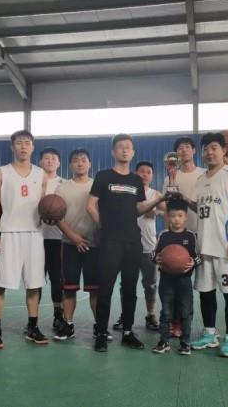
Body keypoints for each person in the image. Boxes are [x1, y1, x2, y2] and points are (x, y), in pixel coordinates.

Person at [88, 134, 167, 352]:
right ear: (113, 151)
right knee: (106, 288)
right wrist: (103, 225)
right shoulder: (103, 176)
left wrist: (158, 199)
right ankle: (101, 333)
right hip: (110, 241)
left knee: (130, 289)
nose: (124, 150)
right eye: (120, 147)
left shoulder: (136, 181)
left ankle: (128, 332)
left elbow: (139, 208)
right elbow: (90, 205)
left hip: (133, 241)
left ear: (133, 153)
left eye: (128, 147)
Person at [182, 132, 228, 358]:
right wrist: (184, 200)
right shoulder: (201, 179)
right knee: (206, 292)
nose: (209, 153)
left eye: (213, 148)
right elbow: (201, 208)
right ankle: (209, 334)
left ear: (223, 150)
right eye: (205, 149)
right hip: (203, 246)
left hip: (226, 246)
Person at [0, 130, 49, 350]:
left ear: (33, 147)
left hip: (34, 234)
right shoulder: (1, 172)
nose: (23, 146)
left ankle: (32, 327)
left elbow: (44, 206)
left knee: (34, 284)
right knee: (0, 284)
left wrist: (50, 215)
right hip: (9, 233)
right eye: (19, 143)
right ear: (12, 147)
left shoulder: (41, 174)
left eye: (27, 143)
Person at [53, 148, 110, 341]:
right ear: (70, 165)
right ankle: (68, 325)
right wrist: (73, 236)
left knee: (95, 289)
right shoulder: (62, 188)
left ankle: (99, 326)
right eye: (76, 160)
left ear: (90, 164)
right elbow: (56, 215)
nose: (80, 163)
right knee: (69, 289)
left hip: (95, 245)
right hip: (70, 245)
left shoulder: (98, 185)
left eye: (84, 160)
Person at [113, 161, 165, 332]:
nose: (145, 174)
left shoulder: (156, 194)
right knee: (127, 284)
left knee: (150, 284)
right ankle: (125, 315)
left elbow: (168, 210)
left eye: (148, 172)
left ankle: (151, 315)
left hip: (148, 246)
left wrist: (157, 212)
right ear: (135, 173)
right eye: (142, 171)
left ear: (152, 176)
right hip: (128, 245)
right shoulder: (128, 191)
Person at [162, 137, 206, 338]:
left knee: (202, 284)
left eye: (187, 147)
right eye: (179, 148)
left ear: (194, 151)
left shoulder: (204, 175)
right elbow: (167, 208)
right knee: (176, 282)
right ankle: (176, 322)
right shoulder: (170, 177)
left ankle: (206, 326)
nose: (184, 151)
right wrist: (168, 234)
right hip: (177, 237)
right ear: (175, 155)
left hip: (201, 234)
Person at [151, 198, 199, 356]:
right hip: (166, 280)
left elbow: (198, 257)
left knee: (186, 311)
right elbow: (154, 255)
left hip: (184, 281)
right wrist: (156, 259)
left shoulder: (191, 236)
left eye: (180, 216)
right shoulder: (164, 235)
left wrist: (193, 262)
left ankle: (185, 343)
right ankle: (163, 341)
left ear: (185, 217)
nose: (176, 219)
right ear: (168, 217)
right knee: (166, 311)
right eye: (173, 216)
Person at [38, 147, 66, 330]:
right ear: (40, 162)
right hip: (36, 237)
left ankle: (58, 316)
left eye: (53, 158)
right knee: (36, 280)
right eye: (46, 158)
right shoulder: (34, 182)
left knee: (58, 279)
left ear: (59, 163)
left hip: (57, 238)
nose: (50, 161)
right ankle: (33, 318)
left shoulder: (64, 184)